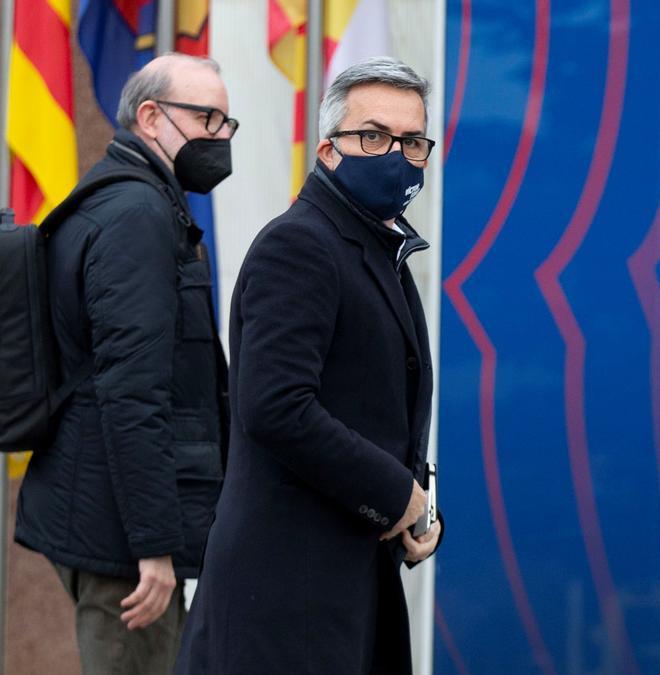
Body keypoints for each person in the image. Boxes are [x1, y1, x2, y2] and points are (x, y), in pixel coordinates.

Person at [175, 56, 442, 675]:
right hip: (283, 599)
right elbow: (276, 406)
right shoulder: (300, 245)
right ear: (327, 149)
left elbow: (375, 414)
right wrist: (394, 494)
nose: (394, 155)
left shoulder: (381, 250)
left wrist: (417, 508)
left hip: (345, 588)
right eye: (372, 136)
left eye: (412, 141)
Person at [14, 53, 234, 675]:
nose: (220, 137)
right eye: (208, 118)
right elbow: (132, 392)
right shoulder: (136, 216)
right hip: (122, 546)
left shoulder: (127, 202)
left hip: (109, 519)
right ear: (150, 117)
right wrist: (154, 547)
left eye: (227, 123)